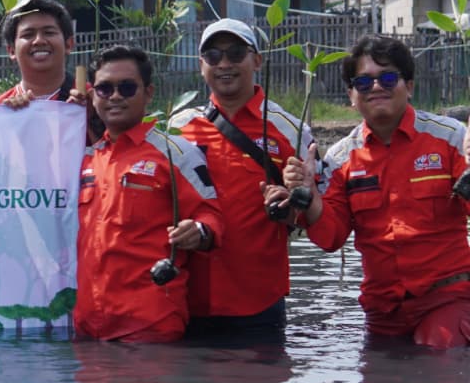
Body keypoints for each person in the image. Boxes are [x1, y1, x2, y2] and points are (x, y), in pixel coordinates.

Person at [280, 35, 470, 348]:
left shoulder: (451, 138)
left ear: (409, 86)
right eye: (364, 82)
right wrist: (309, 194)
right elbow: (331, 237)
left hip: (446, 300)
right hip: (383, 311)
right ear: (351, 96)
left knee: (438, 358)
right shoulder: (340, 159)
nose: (377, 87)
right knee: (377, 378)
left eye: (388, 78)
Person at [170, 19, 313, 338]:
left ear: (257, 60)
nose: (224, 64)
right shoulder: (178, 128)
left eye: (235, 53)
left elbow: (318, 214)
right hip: (187, 298)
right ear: (201, 65)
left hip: (258, 302)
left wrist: (292, 206)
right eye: (213, 56)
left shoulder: (290, 129)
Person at [74, 45, 223, 343]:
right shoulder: (84, 159)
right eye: (105, 88)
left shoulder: (176, 152)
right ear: (93, 95)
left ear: (149, 93)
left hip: (149, 328)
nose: (115, 96)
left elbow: (211, 216)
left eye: (127, 87)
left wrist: (198, 231)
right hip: (87, 328)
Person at [0, 0, 78, 104]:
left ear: (68, 44)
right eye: (28, 35)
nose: (39, 41)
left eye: (49, 32)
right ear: (11, 50)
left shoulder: (93, 101)